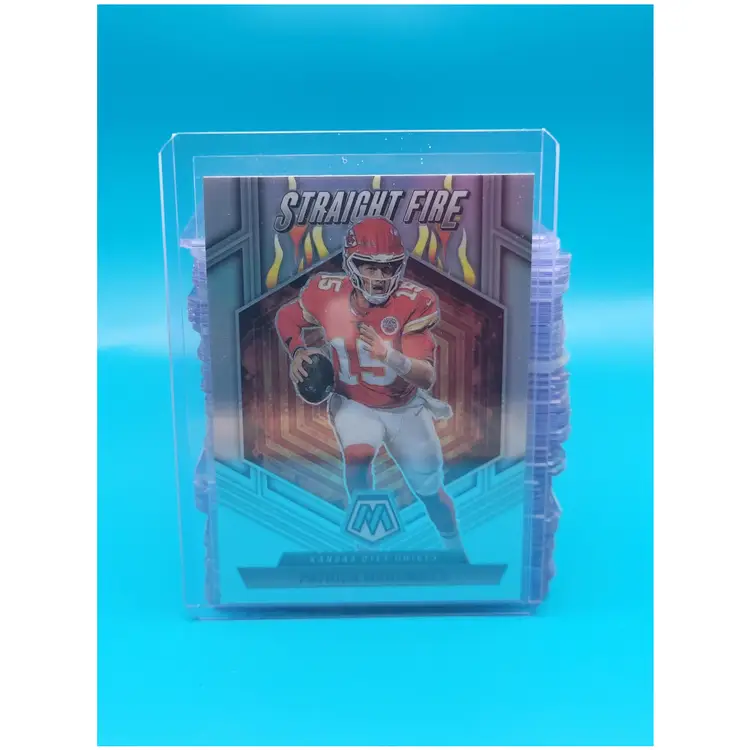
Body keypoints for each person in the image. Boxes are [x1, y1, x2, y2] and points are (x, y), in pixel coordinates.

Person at [275, 216, 463, 551]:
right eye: (369, 266)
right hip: (354, 401)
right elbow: (287, 317)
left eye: (388, 267)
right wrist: (298, 351)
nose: (379, 277)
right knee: (358, 459)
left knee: (430, 492)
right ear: (351, 265)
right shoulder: (325, 294)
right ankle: (369, 538)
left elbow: (426, 376)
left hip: (404, 407)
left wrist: (389, 355)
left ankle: (454, 548)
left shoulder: (414, 302)